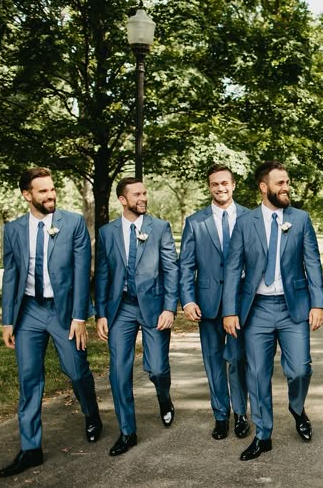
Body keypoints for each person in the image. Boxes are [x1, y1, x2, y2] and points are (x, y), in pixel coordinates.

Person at [0, 167, 101, 477]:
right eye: (42, 191)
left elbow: (83, 272)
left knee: (76, 370)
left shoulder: (72, 224)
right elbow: (11, 275)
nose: (51, 194)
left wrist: (80, 317)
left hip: (64, 310)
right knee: (29, 379)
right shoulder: (14, 229)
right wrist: (7, 320)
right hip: (28, 311)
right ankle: (31, 448)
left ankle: (91, 413)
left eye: (52, 189)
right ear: (27, 195)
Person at [223, 161, 323, 461]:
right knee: (257, 374)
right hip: (256, 309)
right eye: (280, 183)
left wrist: (318, 303)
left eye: (288, 182)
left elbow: (312, 263)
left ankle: (297, 407)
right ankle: (263, 434)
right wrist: (230, 311)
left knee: (299, 369)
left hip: (293, 307)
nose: (286, 187)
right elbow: (233, 268)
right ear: (263, 187)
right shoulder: (245, 222)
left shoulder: (301, 219)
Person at [95, 177, 179, 456]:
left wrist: (169, 307)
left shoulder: (160, 228)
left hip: (154, 307)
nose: (143, 198)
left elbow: (171, 269)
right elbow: (103, 274)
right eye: (137, 194)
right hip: (120, 309)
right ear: (122, 199)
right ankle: (127, 431)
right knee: (119, 372)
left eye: (145, 193)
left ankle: (164, 399)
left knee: (156, 368)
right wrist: (101, 314)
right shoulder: (107, 232)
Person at [179, 165, 250, 440]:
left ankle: (241, 413)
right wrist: (187, 300)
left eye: (224, 183)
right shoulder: (195, 222)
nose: (220, 188)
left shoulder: (250, 217)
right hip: (207, 304)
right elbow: (185, 266)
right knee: (213, 362)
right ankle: (221, 415)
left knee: (237, 359)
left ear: (233, 185)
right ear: (209, 187)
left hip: (240, 304)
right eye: (214, 184)